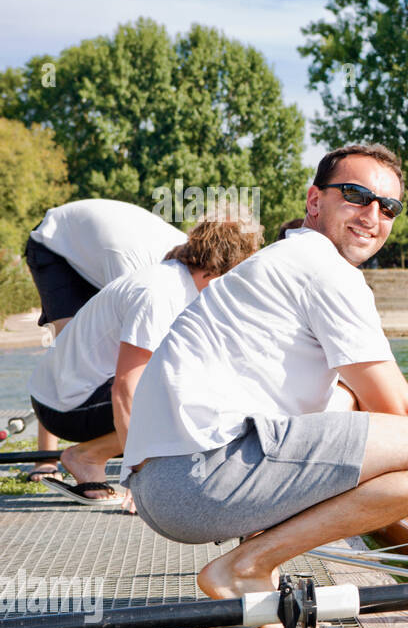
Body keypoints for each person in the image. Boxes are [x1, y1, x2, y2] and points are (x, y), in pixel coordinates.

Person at [123, 144, 408, 606]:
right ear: (315, 201)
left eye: (388, 206)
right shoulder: (321, 267)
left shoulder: (286, 260)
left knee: (348, 402)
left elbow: (382, 412)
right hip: (196, 482)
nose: (372, 215)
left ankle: (246, 560)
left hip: (167, 484)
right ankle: (246, 567)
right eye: (355, 195)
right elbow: (403, 414)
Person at [28, 213, 262, 504]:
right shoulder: (160, 294)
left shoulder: (178, 280)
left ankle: (88, 455)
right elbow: (125, 389)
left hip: (70, 393)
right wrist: (138, 481)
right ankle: (92, 456)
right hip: (64, 407)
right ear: (221, 268)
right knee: (175, 394)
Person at [24, 199, 189, 476]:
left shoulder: (192, 261)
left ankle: (95, 450)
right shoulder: (137, 276)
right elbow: (129, 353)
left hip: (100, 243)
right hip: (55, 243)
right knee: (69, 348)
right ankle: (46, 459)